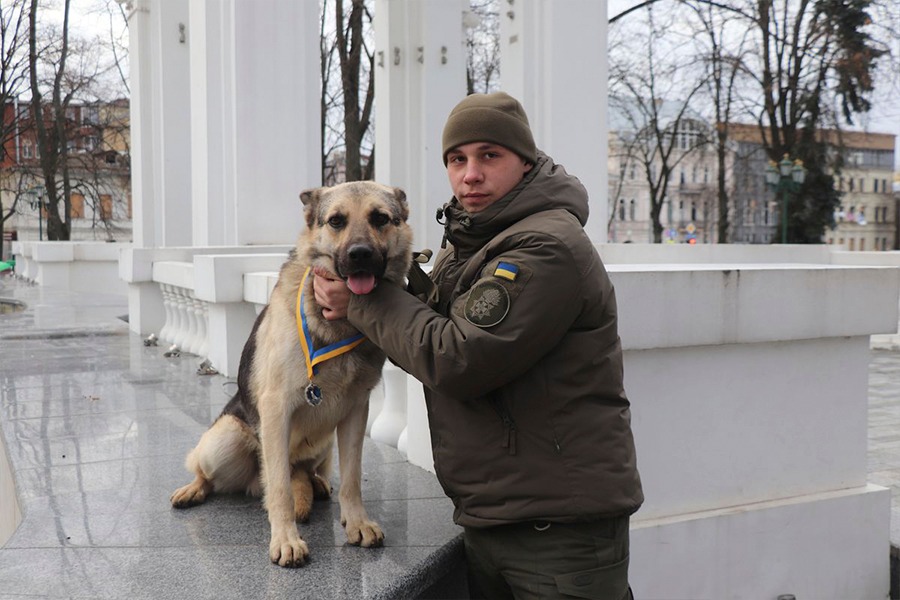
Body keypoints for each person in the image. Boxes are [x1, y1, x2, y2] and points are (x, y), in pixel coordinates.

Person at [314, 91, 642, 600]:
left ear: (525, 162)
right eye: (456, 159)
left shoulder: (544, 246)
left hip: (558, 537)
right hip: (498, 519)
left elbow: (457, 358)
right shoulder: (475, 238)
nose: (470, 174)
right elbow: (427, 324)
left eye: (490, 155)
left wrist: (360, 302)